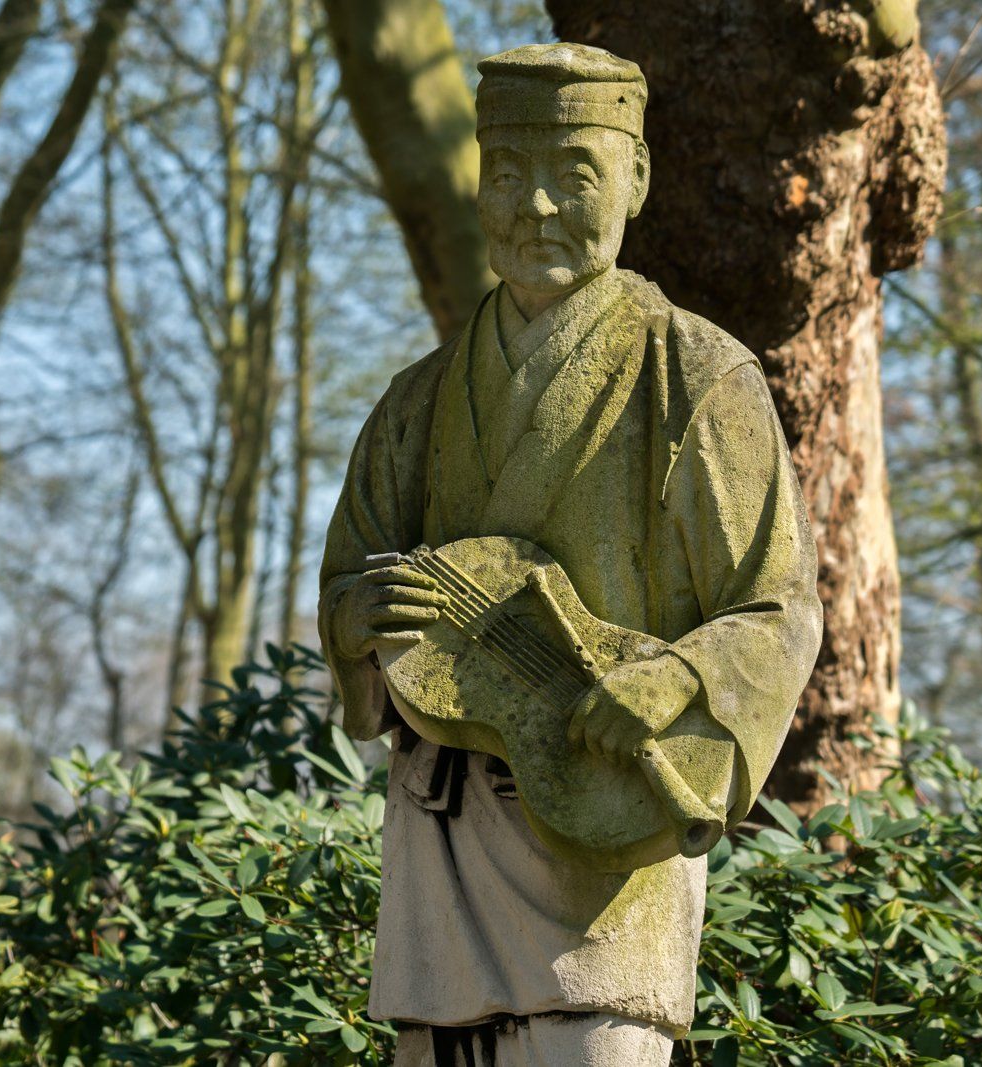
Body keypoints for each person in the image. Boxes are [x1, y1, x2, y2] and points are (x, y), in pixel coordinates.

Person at [317, 42, 821, 1067]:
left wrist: (674, 676)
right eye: (505, 174)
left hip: (606, 835)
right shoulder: (420, 397)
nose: (535, 206)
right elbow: (350, 579)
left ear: (634, 180)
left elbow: (778, 607)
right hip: (442, 827)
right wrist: (353, 626)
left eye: (573, 175)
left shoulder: (696, 376)